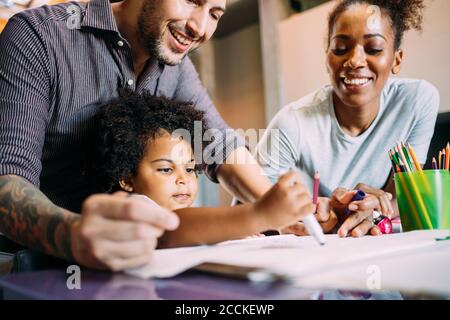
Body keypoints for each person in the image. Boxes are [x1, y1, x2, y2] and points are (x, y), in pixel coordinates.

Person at [0, 0, 279, 271]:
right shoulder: (39, 35)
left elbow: (219, 144)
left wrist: (283, 213)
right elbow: (7, 179)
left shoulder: (175, 67)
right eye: (192, 1)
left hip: (120, 268)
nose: (201, 27)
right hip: (27, 261)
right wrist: (73, 234)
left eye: (215, 14)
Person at [255, 0, 439, 238]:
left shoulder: (417, 101)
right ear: (327, 58)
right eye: (341, 48)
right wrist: (300, 217)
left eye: (373, 48)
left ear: (396, 59)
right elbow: (246, 211)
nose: (354, 61)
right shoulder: (292, 123)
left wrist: (374, 211)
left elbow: (402, 198)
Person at [89, 91, 336, 248]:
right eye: (166, 170)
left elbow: (190, 228)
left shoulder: (181, 210)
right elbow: (170, 229)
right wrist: (256, 216)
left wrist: (222, 232)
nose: (183, 180)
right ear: (126, 178)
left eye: (190, 170)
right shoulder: (133, 206)